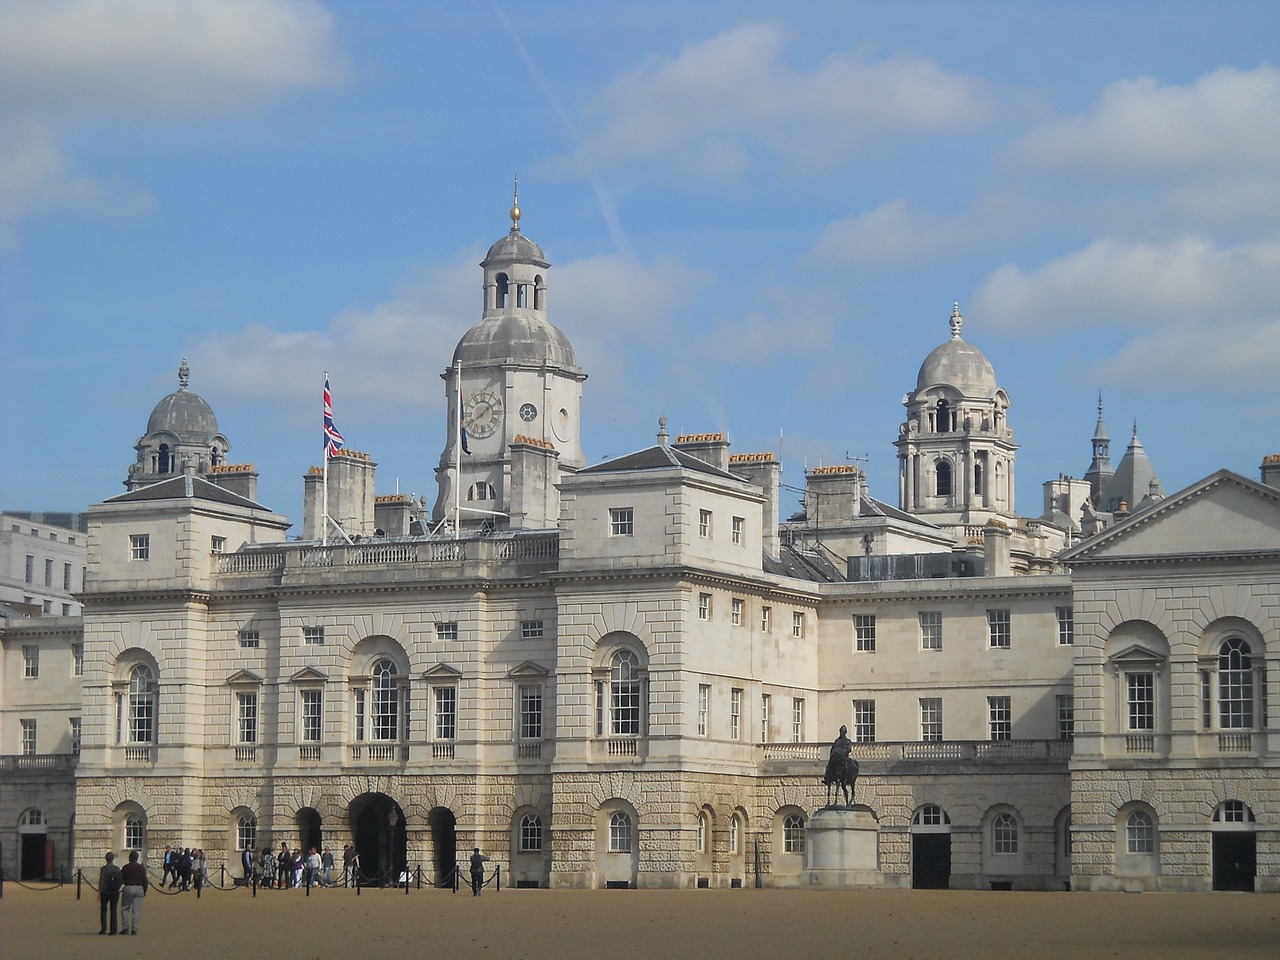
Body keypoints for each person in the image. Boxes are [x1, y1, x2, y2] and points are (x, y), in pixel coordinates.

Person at [120, 850, 148, 935]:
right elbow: (145, 880)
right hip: (139, 888)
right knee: (136, 911)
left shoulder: (125, 867)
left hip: (128, 887)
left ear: (129, 858)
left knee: (125, 908)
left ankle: (125, 927)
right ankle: (134, 929)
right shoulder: (141, 868)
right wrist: (145, 890)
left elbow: (121, 879)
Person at [98, 851, 124, 935]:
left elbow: (102, 881)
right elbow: (120, 880)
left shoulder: (103, 869)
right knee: (114, 910)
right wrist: (118, 888)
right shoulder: (117, 869)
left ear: (106, 859)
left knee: (103, 910)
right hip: (114, 891)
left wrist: (100, 890)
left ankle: (104, 929)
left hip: (105, 891)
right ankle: (113, 930)